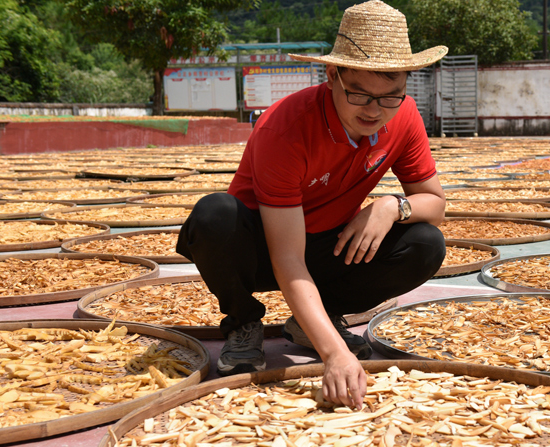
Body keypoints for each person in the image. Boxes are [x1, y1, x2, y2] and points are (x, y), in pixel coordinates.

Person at [176, 0, 449, 409]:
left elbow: (435, 204)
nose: (374, 111)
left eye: (390, 96)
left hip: (328, 243)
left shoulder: (404, 116)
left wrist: (392, 206)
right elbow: (287, 257)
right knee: (215, 215)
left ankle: (311, 325)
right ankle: (243, 322)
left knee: (425, 243)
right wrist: (334, 354)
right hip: (258, 248)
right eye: (359, 94)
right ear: (331, 75)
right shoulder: (287, 128)